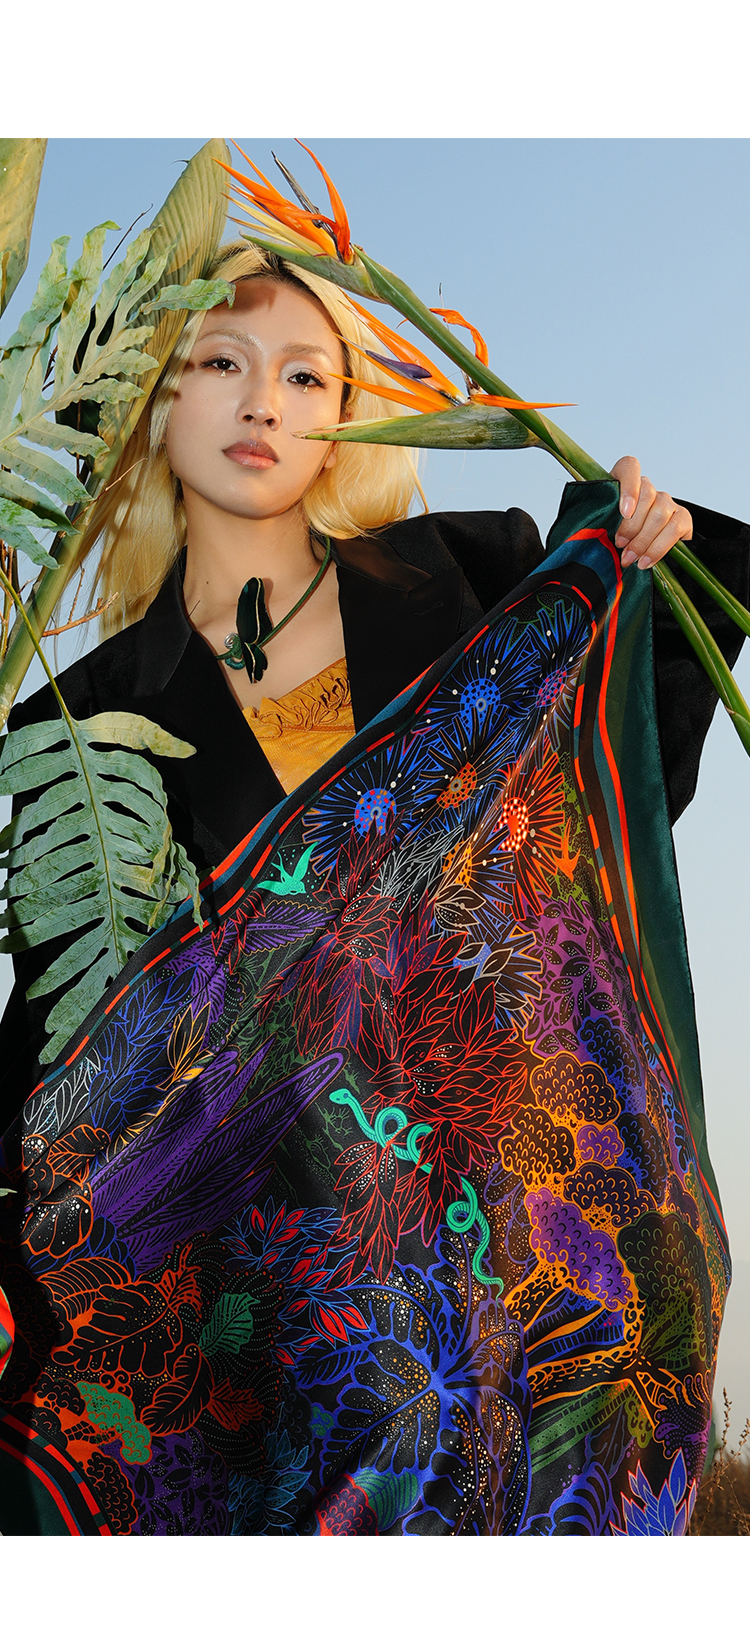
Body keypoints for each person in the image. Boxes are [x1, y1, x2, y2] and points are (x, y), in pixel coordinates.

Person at [0, 241, 748, 1536]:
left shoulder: (471, 576)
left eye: (304, 374)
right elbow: (73, 1034)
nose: (261, 401)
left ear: (346, 415)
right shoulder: (83, 718)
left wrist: (651, 560)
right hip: (277, 1287)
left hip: (512, 1223)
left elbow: (579, 829)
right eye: (219, 363)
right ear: (154, 401)